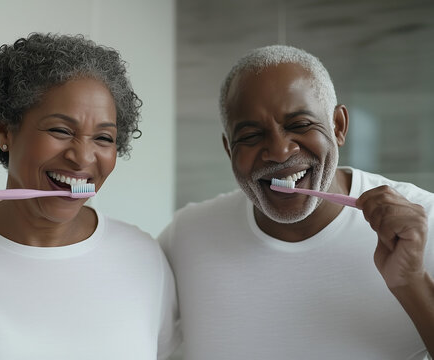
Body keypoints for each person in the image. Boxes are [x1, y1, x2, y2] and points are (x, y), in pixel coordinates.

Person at [0, 33, 180, 359]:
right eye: (60, 130)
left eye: (103, 137)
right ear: (6, 132)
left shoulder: (143, 256)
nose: (83, 157)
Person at [159, 45, 434, 359]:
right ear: (228, 148)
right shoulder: (187, 236)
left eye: (300, 125)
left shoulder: (421, 225)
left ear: (339, 126)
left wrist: (413, 283)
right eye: (250, 135)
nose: (278, 151)